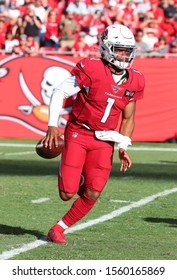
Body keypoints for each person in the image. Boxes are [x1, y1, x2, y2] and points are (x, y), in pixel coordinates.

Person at [44, 24, 145, 245]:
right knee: (67, 194)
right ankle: (75, 173)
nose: (124, 55)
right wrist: (53, 124)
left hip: (105, 139)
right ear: (107, 48)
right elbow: (59, 91)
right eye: (119, 49)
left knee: (93, 192)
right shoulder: (92, 67)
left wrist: (123, 146)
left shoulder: (135, 79)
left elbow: (128, 117)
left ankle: (58, 229)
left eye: (127, 50)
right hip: (80, 132)